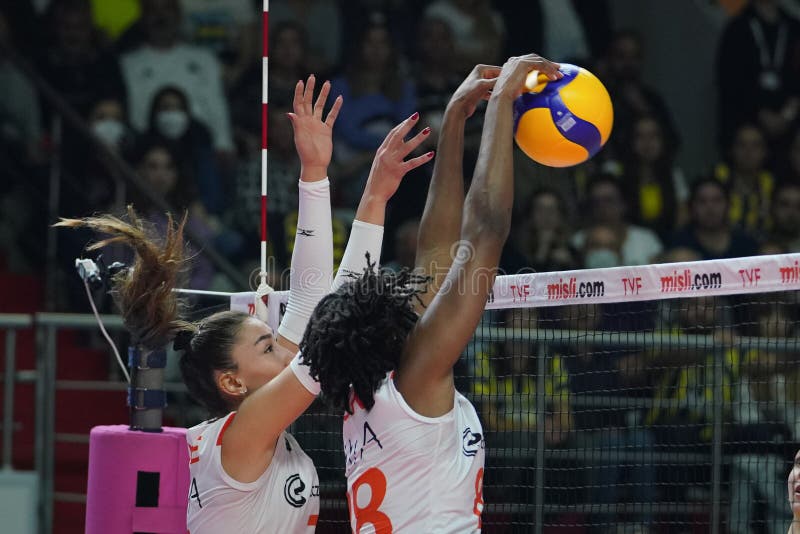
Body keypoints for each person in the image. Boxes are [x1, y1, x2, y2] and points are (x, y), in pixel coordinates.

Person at [57, 75, 433, 532]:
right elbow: (330, 326)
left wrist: (320, 175)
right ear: (232, 382)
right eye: (268, 347)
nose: (287, 347)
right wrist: (368, 195)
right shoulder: (242, 435)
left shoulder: (242, 435)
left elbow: (313, 303)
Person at [300, 55, 563, 532]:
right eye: (388, 296)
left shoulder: (371, 389)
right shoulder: (415, 378)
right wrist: (502, 102)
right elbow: (485, 229)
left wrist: (455, 120)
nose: (400, 289)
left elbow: (436, 256)